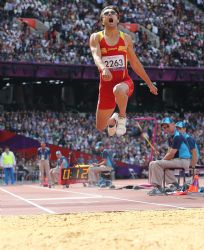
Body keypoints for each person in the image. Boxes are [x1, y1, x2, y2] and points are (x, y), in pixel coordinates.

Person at [89, 5, 158, 137]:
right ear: (102, 20)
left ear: (117, 19)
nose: (110, 15)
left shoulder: (126, 38)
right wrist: (103, 68)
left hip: (124, 83)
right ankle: (113, 119)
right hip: (105, 87)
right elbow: (96, 56)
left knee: (118, 90)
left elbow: (135, 63)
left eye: (113, 13)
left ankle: (122, 117)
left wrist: (149, 83)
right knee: (100, 127)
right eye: (106, 13)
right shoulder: (96, 37)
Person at [148, 117, 191, 195]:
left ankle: (158, 188)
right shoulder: (171, 137)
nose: (166, 128)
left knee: (156, 164)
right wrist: (162, 160)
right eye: (164, 127)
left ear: (173, 125)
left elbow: (171, 154)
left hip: (183, 160)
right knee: (153, 163)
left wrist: (161, 161)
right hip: (178, 160)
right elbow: (169, 152)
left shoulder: (177, 136)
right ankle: (174, 185)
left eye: (167, 126)